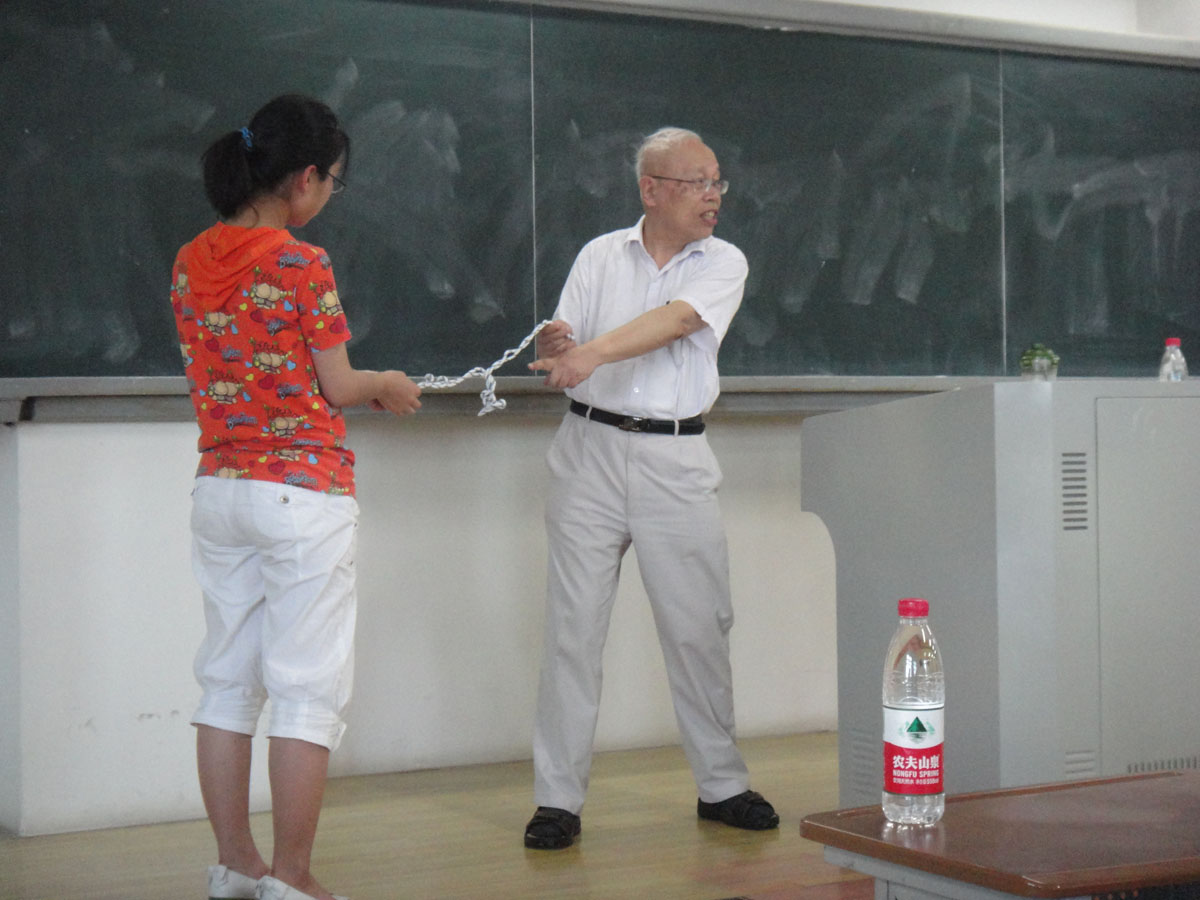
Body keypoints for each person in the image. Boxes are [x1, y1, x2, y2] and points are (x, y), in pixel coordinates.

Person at [170, 94, 422, 900]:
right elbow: (339, 384)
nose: (328, 196)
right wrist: (385, 383)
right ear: (305, 177)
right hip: (302, 494)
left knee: (226, 682)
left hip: (221, 490)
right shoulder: (299, 263)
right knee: (306, 692)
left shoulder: (189, 260)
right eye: (333, 182)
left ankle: (235, 864)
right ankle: (294, 876)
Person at [522, 127, 778, 850]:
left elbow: (676, 322)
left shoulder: (723, 260)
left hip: (676, 455)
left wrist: (592, 353)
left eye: (717, 181)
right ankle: (557, 800)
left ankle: (721, 785)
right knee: (573, 630)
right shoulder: (599, 255)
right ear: (652, 190)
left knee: (698, 627)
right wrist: (557, 346)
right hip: (589, 451)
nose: (713, 196)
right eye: (698, 183)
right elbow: (567, 343)